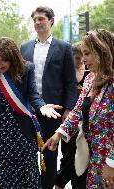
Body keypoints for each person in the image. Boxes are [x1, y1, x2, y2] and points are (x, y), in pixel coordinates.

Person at [0, 37, 62, 188]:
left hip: (22, 133)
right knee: (0, 175)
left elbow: (33, 95)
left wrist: (42, 107)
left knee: (26, 174)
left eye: (3, 60)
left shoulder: (27, 69)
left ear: (13, 58)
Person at [42, 29, 114, 189]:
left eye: (87, 54)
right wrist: (58, 134)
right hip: (91, 158)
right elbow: (77, 111)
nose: (84, 60)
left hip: (109, 162)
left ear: (102, 51)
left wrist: (111, 163)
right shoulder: (90, 78)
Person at [21, 6, 77, 188]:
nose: (37, 22)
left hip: (54, 111)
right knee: (28, 154)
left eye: (41, 19)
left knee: (50, 156)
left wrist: (68, 109)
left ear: (51, 20)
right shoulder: (25, 47)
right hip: (29, 110)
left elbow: (70, 82)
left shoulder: (64, 47)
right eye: (35, 19)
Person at [55, 42, 89, 189]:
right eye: (77, 57)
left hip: (86, 122)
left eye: (84, 56)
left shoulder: (90, 74)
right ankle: (59, 183)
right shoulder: (65, 74)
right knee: (68, 156)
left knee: (83, 158)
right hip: (70, 121)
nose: (81, 61)